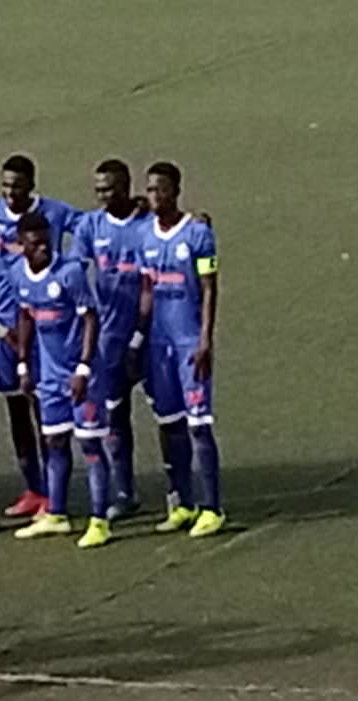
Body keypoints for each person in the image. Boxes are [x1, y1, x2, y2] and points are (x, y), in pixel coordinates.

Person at [0, 154, 81, 520]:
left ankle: (54, 492)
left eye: (17, 185)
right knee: (16, 410)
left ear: (32, 184)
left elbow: (93, 225)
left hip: (44, 327)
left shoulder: (55, 213)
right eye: (5, 185)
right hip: (6, 330)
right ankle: (33, 488)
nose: (10, 193)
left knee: (44, 409)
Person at [11, 213, 113, 549]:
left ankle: (100, 520)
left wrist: (84, 367)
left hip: (83, 376)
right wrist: (24, 364)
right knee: (54, 442)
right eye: (35, 242)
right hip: (50, 377)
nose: (43, 247)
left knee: (90, 444)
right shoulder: (18, 275)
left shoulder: (69, 273)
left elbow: (90, 319)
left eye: (46, 240)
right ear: (21, 244)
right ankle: (56, 513)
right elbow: (25, 316)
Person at [136, 161, 225, 537]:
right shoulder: (145, 235)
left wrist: (205, 339)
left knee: (199, 425)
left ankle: (213, 508)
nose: (155, 196)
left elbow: (209, 288)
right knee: (169, 424)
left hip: (190, 341)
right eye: (151, 190)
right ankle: (183, 504)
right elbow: (146, 290)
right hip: (159, 343)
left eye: (162, 189)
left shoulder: (200, 234)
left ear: (176, 190)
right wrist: (138, 339)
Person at [69, 159, 154, 521]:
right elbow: (75, 267)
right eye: (98, 189)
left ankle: (182, 493)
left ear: (126, 187)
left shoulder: (147, 225)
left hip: (154, 335)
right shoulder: (91, 225)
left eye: (110, 189)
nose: (102, 196)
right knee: (116, 416)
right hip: (109, 339)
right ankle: (124, 491)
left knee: (172, 417)